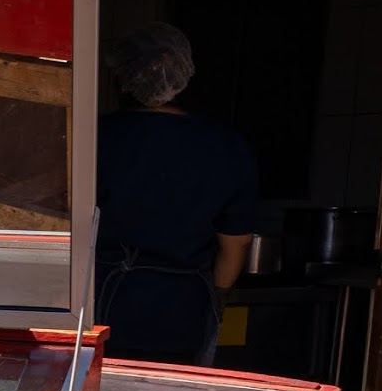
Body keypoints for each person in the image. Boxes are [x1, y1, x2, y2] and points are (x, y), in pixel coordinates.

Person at [94, 21, 262, 365]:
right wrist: (218, 297)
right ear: (186, 78)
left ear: (122, 80)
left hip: (106, 308)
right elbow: (237, 243)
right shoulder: (225, 146)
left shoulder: (97, 136)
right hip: (183, 312)